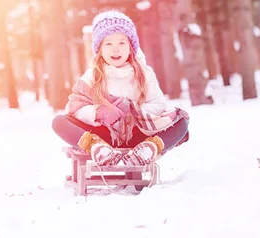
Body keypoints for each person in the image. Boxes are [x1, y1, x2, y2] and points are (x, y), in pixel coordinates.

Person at [52, 10, 189, 166]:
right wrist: (99, 112)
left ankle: (149, 149)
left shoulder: (144, 73)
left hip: (137, 135)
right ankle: (97, 148)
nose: (115, 49)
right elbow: (75, 107)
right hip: (104, 136)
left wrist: (134, 111)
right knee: (59, 121)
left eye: (121, 43)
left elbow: (158, 104)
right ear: (100, 49)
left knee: (181, 121)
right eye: (108, 44)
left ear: (131, 47)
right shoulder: (92, 76)